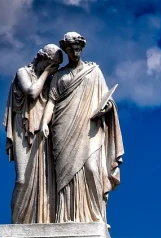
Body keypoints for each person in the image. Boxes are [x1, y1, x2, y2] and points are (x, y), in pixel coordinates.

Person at [40, 31, 124, 223]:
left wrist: (108, 107)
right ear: (66, 50)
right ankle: (66, 217)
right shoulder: (59, 76)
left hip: (90, 126)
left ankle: (95, 217)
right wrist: (44, 123)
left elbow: (107, 98)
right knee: (65, 175)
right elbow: (51, 102)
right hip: (63, 126)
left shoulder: (94, 71)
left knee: (92, 169)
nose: (75, 52)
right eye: (71, 49)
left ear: (82, 48)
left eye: (77, 48)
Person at [4, 44, 62, 223]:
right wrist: (46, 74)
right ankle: (17, 223)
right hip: (23, 127)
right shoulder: (23, 72)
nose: (53, 70)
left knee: (43, 181)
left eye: (56, 67)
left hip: (43, 132)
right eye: (51, 64)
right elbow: (31, 93)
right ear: (41, 58)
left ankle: (41, 220)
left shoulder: (50, 81)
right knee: (22, 179)